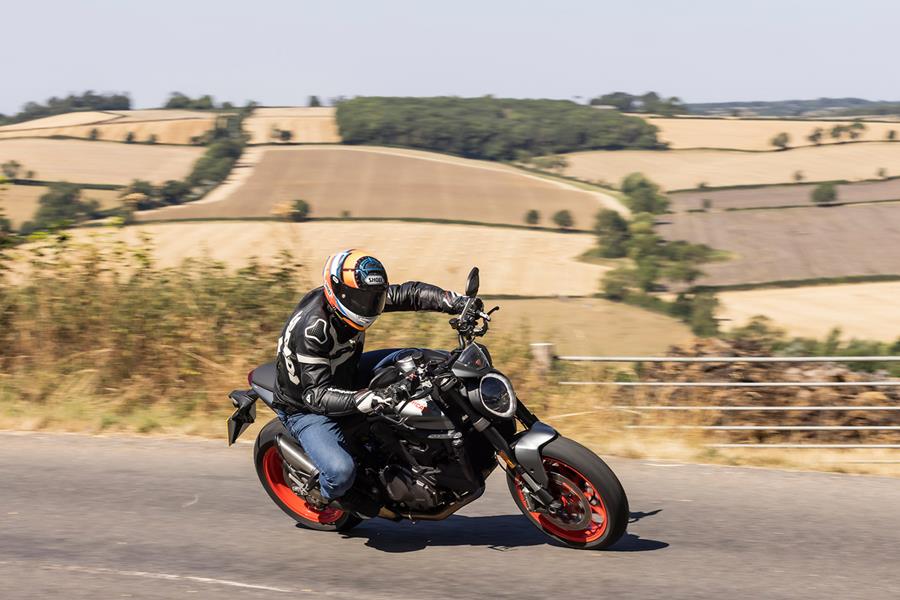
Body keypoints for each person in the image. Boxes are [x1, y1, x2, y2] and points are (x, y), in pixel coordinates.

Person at [272, 249, 480, 517]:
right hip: (305, 406)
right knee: (340, 472)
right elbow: (316, 396)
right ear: (338, 292)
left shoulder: (358, 296)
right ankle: (323, 496)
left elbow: (410, 293)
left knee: (417, 359)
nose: (369, 305)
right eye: (362, 298)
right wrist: (365, 398)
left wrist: (455, 302)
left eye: (374, 297)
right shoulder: (314, 330)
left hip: (346, 373)